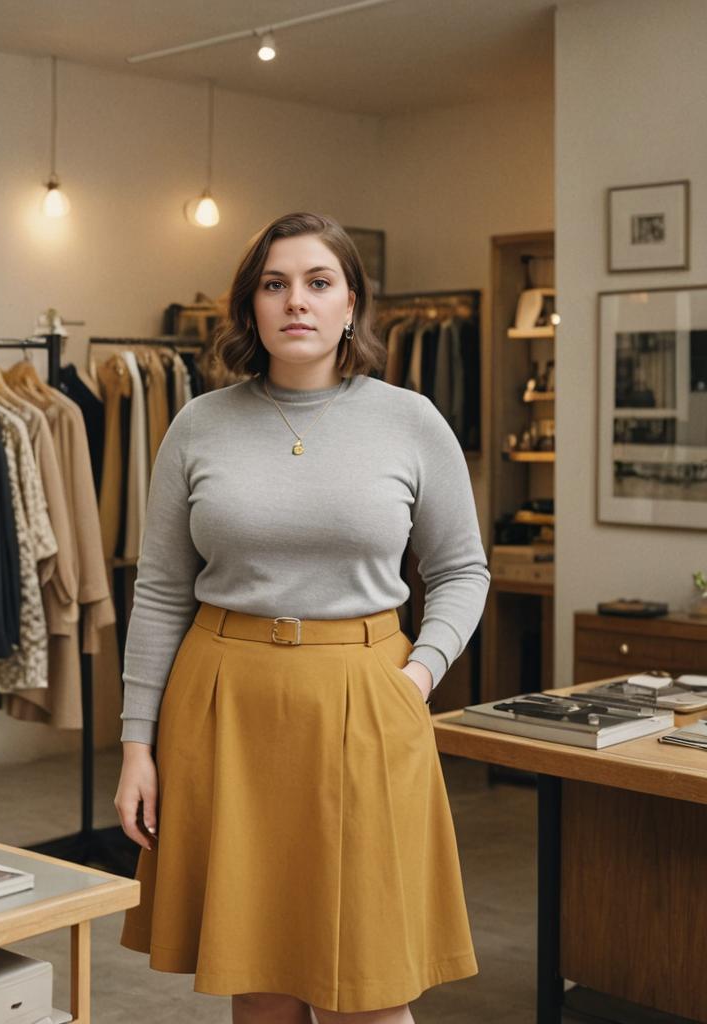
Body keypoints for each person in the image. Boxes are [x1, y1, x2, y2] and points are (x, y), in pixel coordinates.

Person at [114, 212, 489, 1023]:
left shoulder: (410, 419)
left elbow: (462, 571)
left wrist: (418, 676)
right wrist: (135, 745)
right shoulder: (197, 425)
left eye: (319, 283)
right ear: (250, 305)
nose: (297, 302)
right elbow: (160, 592)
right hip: (223, 704)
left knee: (369, 986)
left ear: (351, 303)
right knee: (262, 981)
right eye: (274, 284)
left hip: (366, 699)